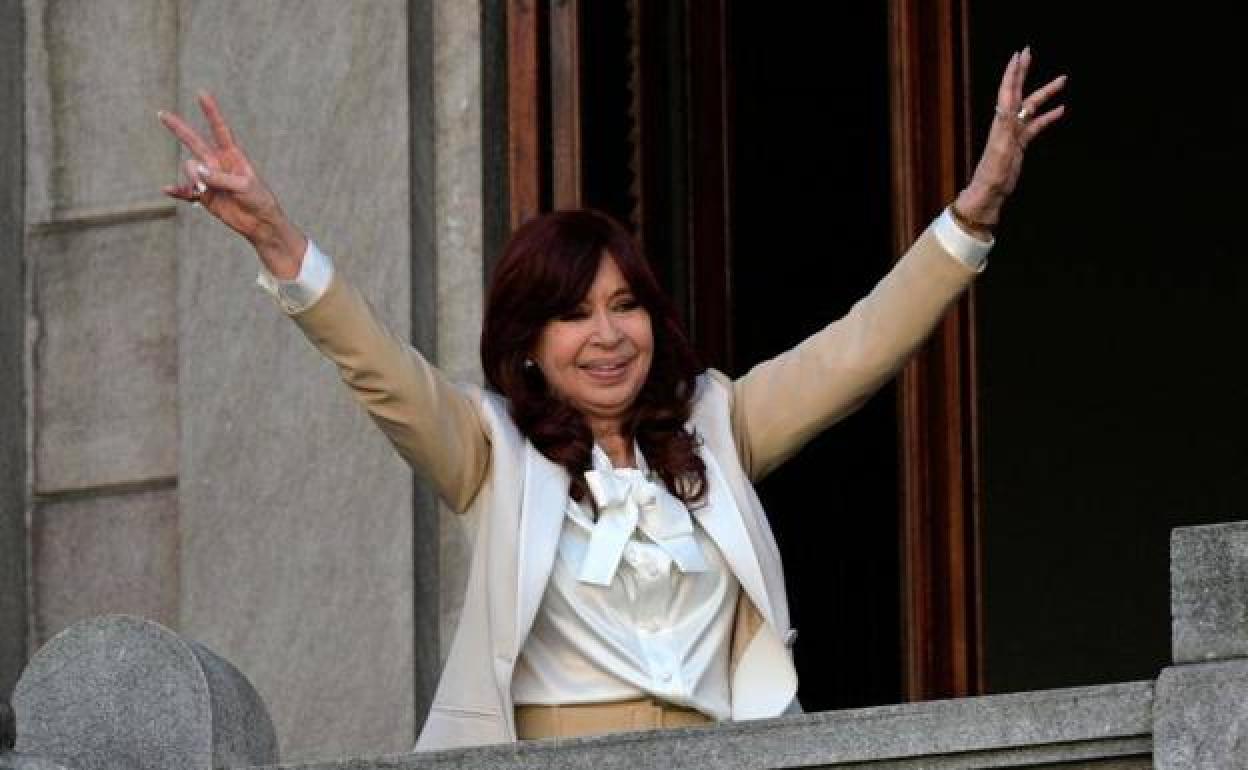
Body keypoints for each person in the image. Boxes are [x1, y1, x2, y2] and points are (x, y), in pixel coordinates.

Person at [159, 49, 1064, 751]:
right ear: (529, 343)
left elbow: (858, 348)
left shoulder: (718, 423)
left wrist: (974, 213)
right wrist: (277, 239)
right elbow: (376, 366)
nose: (607, 335)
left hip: (726, 757)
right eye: (573, 315)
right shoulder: (489, 450)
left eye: (624, 305)